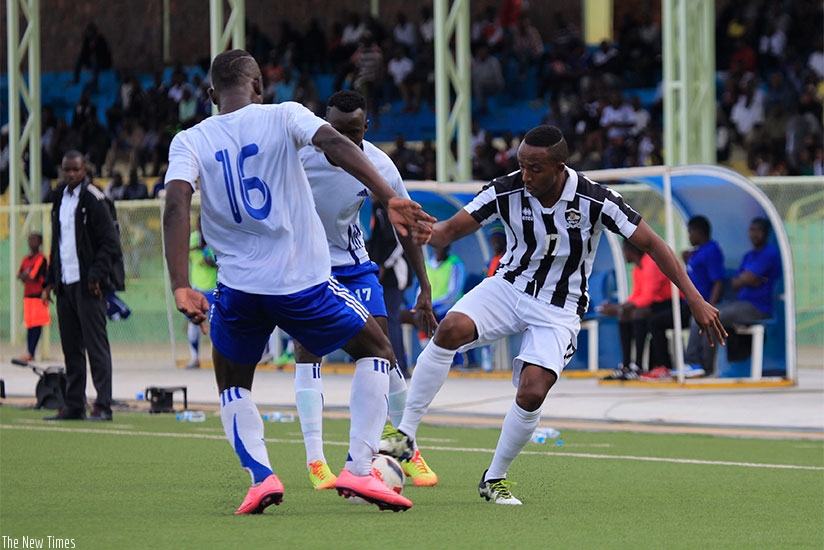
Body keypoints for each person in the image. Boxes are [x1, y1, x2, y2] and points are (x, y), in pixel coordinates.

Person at [380, 125, 726, 505]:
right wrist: (429, 231)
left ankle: (494, 478)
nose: (526, 176)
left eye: (535, 169)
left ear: (560, 167)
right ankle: (405, 435)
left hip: (559, 308)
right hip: (508, 287)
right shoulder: (506, 189)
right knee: (451, 328)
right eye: (522, 166)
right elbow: (449, 230)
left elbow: (653, 244)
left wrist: (694, 299)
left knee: (531, 392)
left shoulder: (597, 200)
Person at [162, 49, 434, 515]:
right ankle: (357, 466)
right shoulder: (284, 114)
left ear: (210, 95)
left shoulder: (189, 140)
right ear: (259, 88)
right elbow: (337, 145)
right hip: (299, 283)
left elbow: (176, 205)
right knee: (379, 350)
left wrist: (181, 284)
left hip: (237, 289)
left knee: (232, 383)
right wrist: (387, 197)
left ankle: (261, 477)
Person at [293, 90, 438, 491]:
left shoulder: (379, 164)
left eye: (353, 133)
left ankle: (402, 448)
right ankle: (316, 459)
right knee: (308, 352)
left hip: (354, 266)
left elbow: (404, 225)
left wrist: (424, 285)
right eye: (336, 132)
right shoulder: (298, 157)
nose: (343, 142)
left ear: (366, 128)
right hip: (307, 267)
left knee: (384, 350)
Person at [42, 151, 124, 422]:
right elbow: (58, 243)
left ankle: (102, 405)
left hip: (90, 286)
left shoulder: (95, 199)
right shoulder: (59, 198)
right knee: (71, 348)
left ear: (84, 170)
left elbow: (110, 243)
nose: (71, 175)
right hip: (66, 284)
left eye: (76, 170)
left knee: (96, 347)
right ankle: (74, 404)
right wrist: (50, 279)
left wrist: (95, 277)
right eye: (66, 170)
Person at [684, 217, 780, 377]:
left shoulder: (769, 254)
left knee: (712, 317)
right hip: (740, 303)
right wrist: (749, 278)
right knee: (704, 316)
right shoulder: (749, 256)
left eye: (758, 230)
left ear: (766, 233)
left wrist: (747, 278)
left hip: (758, 307)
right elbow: (737, 282)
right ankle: (695, 365)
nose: (754, 234)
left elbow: (745, 279)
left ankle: (701, 367)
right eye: (752, 230)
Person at [647, 215, 725, 378]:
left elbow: (718, 281)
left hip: (700, 305)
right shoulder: (697, 252)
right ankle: (665, 365)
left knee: (692, 322)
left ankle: (693, 363)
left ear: (699, 232)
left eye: (690, 232)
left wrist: (709, 306)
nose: (689, 237)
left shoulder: (711, 251)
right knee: (655, 320)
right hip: (687, 303)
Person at [598, 239, 671, 381]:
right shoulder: (638, 269)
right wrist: (620, 308)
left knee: (638, 313)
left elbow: (647, 298)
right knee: (624, 314)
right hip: (654, 304)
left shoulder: (650, 263)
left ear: (632, 250)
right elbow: (635, 296)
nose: (624, 254)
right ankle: (626, 365)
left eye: (624, 250)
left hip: (669, 303)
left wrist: (618, 307)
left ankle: (638, 365)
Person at [183, 215, 217, 369]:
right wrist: (195, 249)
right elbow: (182, 252)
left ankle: (219, 358)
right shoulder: (193, 238)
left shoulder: (217, 236)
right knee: (193, 323)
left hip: (215, 288)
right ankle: (195, 357)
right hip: (197, 287)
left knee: (217, 325)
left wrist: (214, 264)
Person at [17, 232, 51, 362]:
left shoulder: (41, 259)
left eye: (35, 240)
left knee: (37, 325)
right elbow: (19, 275)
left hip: (38, 295)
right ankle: (29, 352)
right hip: (28, 295)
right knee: (29, 325)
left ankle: (32, 352)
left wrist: (26, 276)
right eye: (30, 239)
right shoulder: (26, 259)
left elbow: (33, 276)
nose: (31, 242)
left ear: (40, 242)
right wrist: (26, 276)